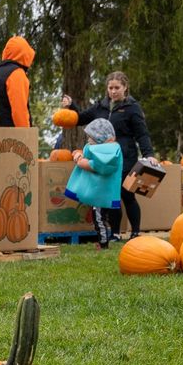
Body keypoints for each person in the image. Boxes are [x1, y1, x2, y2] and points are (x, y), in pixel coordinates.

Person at [60, 71, 156, 239]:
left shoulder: (133, 108)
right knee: (111, 194)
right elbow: (82, 118)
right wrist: (71, 106)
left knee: (126, 194)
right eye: (110, 88)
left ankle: (135, 232)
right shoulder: (101, 106)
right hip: (104, 157)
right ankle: (116, 233)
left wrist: (149, 154)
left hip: (125, 157)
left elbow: (142, 134)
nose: (113, 91)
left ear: (125, 88)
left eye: (117, 87)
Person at [62, 119, 123, 249]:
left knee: (100, 219)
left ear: (100, 138)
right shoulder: (99, 150)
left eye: (91, 138)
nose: (89, 140)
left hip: (103, 193)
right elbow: (87, 154)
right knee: (99, 218)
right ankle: (103, 241)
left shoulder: (110, 152)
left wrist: (85, 163)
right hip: (99, 192)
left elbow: (102, 165)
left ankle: (103, 244)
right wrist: (79, 154)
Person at [0, 36, 35, 128]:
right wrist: (26, 135)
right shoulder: (17, 74)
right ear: (25, 54)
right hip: (12, 138)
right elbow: (19, 111)